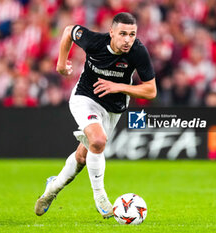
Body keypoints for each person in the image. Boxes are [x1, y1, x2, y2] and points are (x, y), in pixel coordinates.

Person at [34, 12, 156, 218]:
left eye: (132, 34)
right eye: (123, 34)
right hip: (85, 98)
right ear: (111, 33)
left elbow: (151, 91)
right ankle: (100, 197)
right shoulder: (95, 41)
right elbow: (68, 31)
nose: (128, 40)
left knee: (83, 156)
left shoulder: (138, 51)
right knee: (98, 140)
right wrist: (62, 63)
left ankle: (52, 189)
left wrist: (117, 86)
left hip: (113, 108)